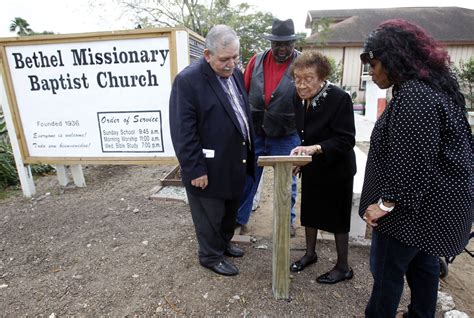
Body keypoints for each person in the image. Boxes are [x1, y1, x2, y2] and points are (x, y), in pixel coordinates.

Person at [358, 19, 473, 317]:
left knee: (386, 274)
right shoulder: (433, 89)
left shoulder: (415, 96)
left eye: (374, 63)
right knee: (424, 268)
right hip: (431, 211)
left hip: (410, 213)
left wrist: (383, 204)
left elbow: (412, 162)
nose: (371, 72)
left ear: (395, 59)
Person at [169, 25, 255, 276]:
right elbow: (182, 131)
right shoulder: (188, 81)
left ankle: (224, 244)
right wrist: (195, 168)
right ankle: (210, 255)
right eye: (224, 59)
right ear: (207, 54)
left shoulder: (235, 74)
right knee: (210, 215)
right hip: (207, 165)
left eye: (235, 57)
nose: (231, 64)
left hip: (234, 158)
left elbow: (239, 111)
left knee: (229, 209)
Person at [288, 51, 357, 284]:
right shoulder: (297, 97)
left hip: (337, 168)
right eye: (297, 78)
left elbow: (347, 139)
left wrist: (314, 148)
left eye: (308, 78)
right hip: (314, 165)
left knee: (337, 218)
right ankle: (310, 253)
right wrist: (301, 157)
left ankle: (343, 266)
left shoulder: (340, 98)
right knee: (310, 212)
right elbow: (305, 133)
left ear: (322, 77)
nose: (301, 84)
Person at [236, 18, 302, 237]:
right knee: (248, 177)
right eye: (277, 44)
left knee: (286, 182)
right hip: (256, 132)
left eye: (287, 44)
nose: (282, 48)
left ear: (293, 43)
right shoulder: (256, 60)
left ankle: (285, 221)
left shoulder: (302, 63)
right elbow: (243, 94)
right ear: (271, 43)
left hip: (286, 133)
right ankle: (239, 219)